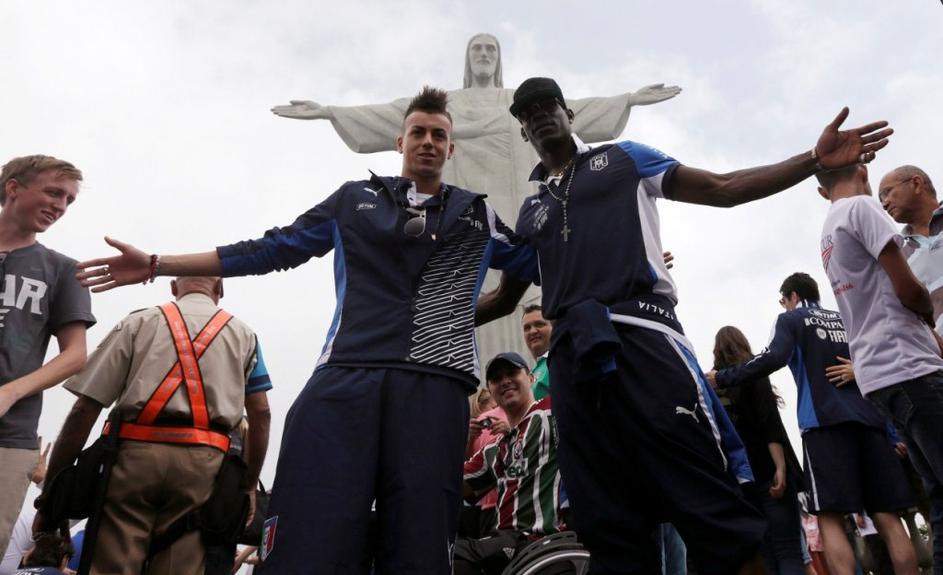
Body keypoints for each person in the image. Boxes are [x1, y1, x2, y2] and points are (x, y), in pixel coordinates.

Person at [74, 87, 539, 574]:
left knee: (419, 540)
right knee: (311, 529)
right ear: (399, 142)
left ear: (452, 148)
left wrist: (540, 224)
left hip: (435, 384)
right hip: (348, 374)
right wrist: (156, 264)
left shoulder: (477, 214)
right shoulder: (354, 199)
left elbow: (543, 261)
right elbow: (272, 248)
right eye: (418, 132)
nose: (428, 142)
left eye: (439, 135)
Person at [478, 76, 894, 573]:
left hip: (643, 336)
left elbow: (722, 188)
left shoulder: (624, 159)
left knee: (708, 502)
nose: (540, 115)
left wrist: (811, 161)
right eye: (528, 113)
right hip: (574, 359)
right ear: (523, 131)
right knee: (606, 519)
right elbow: (503, 298)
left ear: (568, 114)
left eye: (549, 105)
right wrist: (415, 321)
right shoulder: (532, 211)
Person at [270, 32, 681, 368]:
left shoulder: (517, 105)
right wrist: (329, 112)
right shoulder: (450, 106)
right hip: (466, 221)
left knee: (529, 297)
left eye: (490, 50)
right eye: (477, 50)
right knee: (470, 288)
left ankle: (533, 378)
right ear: (468, 60)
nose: (484, 55)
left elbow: (574, 112)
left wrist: (628, 99)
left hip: (519, 215)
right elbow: (392, 115)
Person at [35, 276, 272, 575]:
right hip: (204, 467)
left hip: (133, 459)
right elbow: (261, 413)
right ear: (219, 289)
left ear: (173, 287)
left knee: (111, 564)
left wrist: (51, 494)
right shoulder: (245, 336)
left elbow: (84, 410)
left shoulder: (139, 322)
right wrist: (248, 485)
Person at [707, 273, 917, 575]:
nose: (784, 306)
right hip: (870, 424)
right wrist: (891, 432)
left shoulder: (791, 319)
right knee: (888, 517)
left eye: (783, 301)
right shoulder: (846, 319)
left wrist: (723, 377)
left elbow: (772, 358)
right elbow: (877, 365)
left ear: (792, 296)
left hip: (824, 426)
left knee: (829, 518)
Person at [817, 163, 943, 573]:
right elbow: (907, 289)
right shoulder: (861, 208)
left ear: (821, 191)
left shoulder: (828, 230)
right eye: (882, 192)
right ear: (863, 170)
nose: (884, 202)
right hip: (910, 365)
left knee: (939, 499)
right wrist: (926, 312)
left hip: (878, 376)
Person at [0, 155, 95, 558]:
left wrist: (10, 392)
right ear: (14, 187)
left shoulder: (63, 270)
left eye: (69, 200)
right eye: (54, 193)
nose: (61, 206)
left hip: (9, 437)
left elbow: (75, 356)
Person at [711, 325, 806, 574]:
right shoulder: (754, 370)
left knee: (765, 552)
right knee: (788, 549)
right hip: (767, 468)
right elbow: (769, 421)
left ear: (716, 350)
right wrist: (780, 466)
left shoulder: (714, 384)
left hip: (740, 478)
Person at [456, 352, 561, 574]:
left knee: (453, 554)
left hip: (539, 540)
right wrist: (462, 440)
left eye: (512, 373)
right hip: (505, 542)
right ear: (491, 390)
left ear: (531, 378)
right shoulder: (497, 449)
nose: (505, 381)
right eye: (496, 378)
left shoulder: (550, 413)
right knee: (443, 551)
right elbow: (453, 483)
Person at [878, 165, 943, 332]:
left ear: (916, 184)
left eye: (887, 193)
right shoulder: (898, 256)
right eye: (881, 199)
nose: (884, 204)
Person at [521, 304, 551, 400]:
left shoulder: (563, 360)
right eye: (527, 328)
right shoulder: (531, 374)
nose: (532, 331)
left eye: (539, 324)